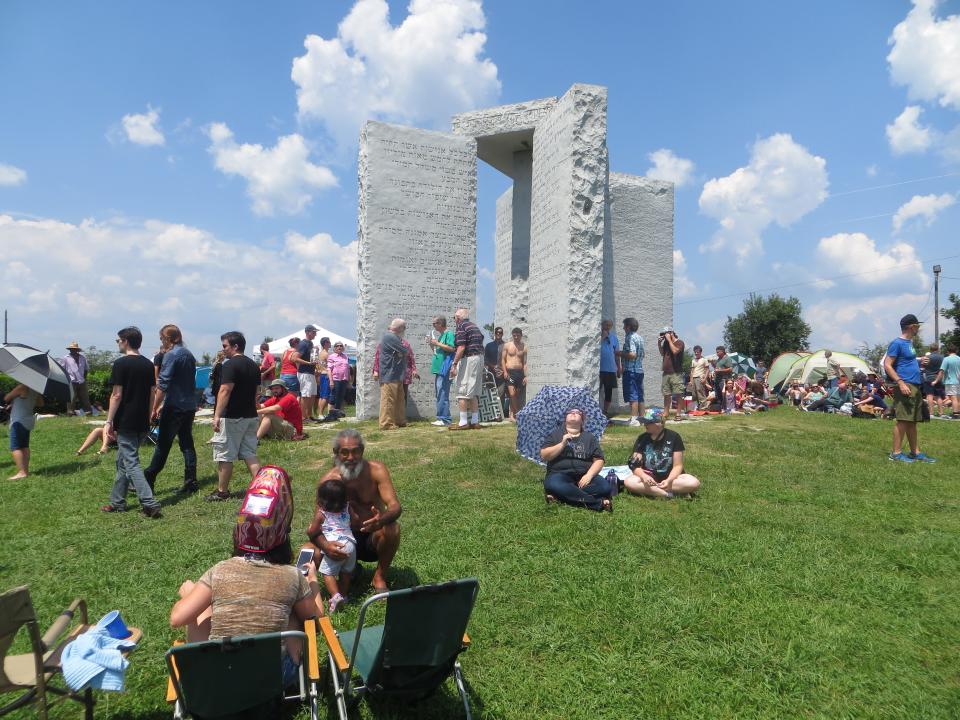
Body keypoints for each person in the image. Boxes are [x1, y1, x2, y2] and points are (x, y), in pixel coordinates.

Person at [170, 470, 324, 685]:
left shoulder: (221, 570)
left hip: (219, 679)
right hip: (272, 679)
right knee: (293, 613)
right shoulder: (292, 576)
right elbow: (314, 616)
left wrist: (189, 591)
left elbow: (177, 619)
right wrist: (313, 582)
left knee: (204, 607)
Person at [307, 429, 402, 592]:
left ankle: (379, 577)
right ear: (336, 453)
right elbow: (317, 525)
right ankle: (310, 591)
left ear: (362, 451)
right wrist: (326, 545)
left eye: (355, 452)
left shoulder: (376, 470)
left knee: (393, 528)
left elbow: (395, 506)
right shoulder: (328, 482)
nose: (351, 458)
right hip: (340, 540)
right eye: (345, 452)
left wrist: (381, 520)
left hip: (371, 539)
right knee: (307, 551)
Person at [101, 326, 162, 517]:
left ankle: (149, 502)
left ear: (126, 341)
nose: (118, 343)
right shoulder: (146, 364)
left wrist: (108, 421)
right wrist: (149, 414)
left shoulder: (121, 364)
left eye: (118, 340)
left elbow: (116, 395)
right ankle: (117, 502)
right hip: (141, 419)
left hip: (126, 419)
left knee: (131, 463)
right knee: (122, 462)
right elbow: (153, 392)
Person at [144, 324, 198, 494]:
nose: (161, 342)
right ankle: (191, 481)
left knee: (163, 445)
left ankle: (149, 478)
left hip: (175, 406)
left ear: (167, 338)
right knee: (187, 443)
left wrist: (154, 408)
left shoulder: (171, 355)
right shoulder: (189, 355)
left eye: (161, 339)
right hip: (189, 405)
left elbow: (163, 385)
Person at [208, 331, 262, 500]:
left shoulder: (230, 365)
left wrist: (217, 415)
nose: (223, 349)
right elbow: (257, 392)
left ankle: (222, 491)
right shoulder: (254, 365)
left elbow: (225, 390)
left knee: (225, 455)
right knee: (249, 453)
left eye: (225, 346)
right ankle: (263, 487)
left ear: (235, 346)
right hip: (250, 415)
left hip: (232, 416)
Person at [884, 314, 936, 463]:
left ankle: (915, 452)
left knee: (912, 421)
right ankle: (896, 453)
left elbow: (906, 362)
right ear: (911, 327)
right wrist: (900, 382)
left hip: (914, 385)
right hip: (905, 385)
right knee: (902, 420)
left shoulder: (909, 343)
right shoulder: (897, 343)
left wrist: (919, 361)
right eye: (917, 326)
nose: (919, 328)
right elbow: (887, 364)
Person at [540, 408, 612, 512]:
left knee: (605, 488)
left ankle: (561, 496)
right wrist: (562, 444)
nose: (573, 413)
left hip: (584, 475)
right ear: (565, 418)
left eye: (577, 412)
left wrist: (589, 475)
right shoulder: (555, 434)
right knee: (553, 484)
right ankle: (597, 503)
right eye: (570, 412)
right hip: (559, 474)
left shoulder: (589, 437)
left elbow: (599, 460)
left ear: (582, 420)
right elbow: (544, 455)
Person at [623, 406, 700, 498]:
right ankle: (667, 494)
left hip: (672, 478)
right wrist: (644, 476)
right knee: (629, 482)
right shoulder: (642, 438)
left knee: (693, 483)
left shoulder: (674, 437)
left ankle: (655, 490)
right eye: (644, 422)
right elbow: (634, 465)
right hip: (649, 478)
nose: (645, 425)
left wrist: (669, 480)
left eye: (648, 422)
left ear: (659, 423)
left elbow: (678, 465)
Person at [306, 479, 357, 613]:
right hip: (350, 544)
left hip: (335, 545)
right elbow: (355, 520)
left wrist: (309, 530)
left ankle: (335, 596)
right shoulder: (347, 508)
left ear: (321, 501)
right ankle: (344, 595)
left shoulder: (321, 514)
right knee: (346, 572)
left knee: (327, 573)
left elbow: (313, 532)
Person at [449, 308, 484, 430]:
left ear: (458, 318)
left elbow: (461, 347)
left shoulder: (461, 326)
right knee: (473, 392)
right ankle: (475, 421)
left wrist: (454, 364)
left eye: (454, 318)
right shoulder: (474, 326)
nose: (454, 320)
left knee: (462, 391)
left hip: (469, 359)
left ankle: (463, 422)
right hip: (479, 358)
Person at [373, 319, 409, 430]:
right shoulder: (390, 337)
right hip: (389, 374)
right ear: (400, 328)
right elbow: (405, 350)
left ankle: (399, 420)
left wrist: (400, 352)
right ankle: (386, 423)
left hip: (396, 374)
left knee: (399, 399)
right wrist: (401, 352)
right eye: (404, 328)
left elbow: (403, 352)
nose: (404, 330)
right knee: (388, 400)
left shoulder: (394, 337)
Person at [5, 383, 41, 479]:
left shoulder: (22, 387)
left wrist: (13, 396)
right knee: (24, 446)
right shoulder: (36, 388)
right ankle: (25, 470)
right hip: (28, 420)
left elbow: (6, 398)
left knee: (15, 447)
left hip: (18, 421)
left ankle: (22, 472)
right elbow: (40, 403)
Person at [427, 316, 456, 426]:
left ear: (440, 323)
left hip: (444, 368)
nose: (433, 325)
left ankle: (445, 419)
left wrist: (437, 343)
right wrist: (431, 344)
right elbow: (437, 351)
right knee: (440, 393)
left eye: (435, 323)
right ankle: (442, 417)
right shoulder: (441, 336)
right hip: (439, 369)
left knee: (442, 392)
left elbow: (452, 348)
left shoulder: (449, 334)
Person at [618, 317, 644, 426]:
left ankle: (634, 420)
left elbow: (632, 354)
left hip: (631, 370)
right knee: (640, 395)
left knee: (633, 395)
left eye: (624, 326)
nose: (623, 328)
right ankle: (642, 419)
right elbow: (643, 354)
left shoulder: (630, 337)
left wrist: (620, 353)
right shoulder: (640, 338)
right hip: (639, 370)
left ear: (628, 326)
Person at [657, 327, 685, 421]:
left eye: (666, 333)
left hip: (676, 372)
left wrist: (669, 340)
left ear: (671, 333)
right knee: (666, 394)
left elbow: (675, 351)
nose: (665, 336)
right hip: (666, 372)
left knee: (678, 393)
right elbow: (662, 353)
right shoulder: (666, 343)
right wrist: (659, 343)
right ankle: (666, 413)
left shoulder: (680, 342)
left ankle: (678, 414)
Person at [293, 325, 319, 422]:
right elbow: (294, 358)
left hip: (310, 372)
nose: (315, 334)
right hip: (305, 372)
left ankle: (309, 415)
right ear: (308, 332)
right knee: (305, 394)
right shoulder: (303, 343)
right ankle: (303, 417)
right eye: (314, 332)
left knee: (312, 394)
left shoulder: (310, 343)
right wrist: (308, 363)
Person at [501, 327, 527, 420]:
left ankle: (512, 414)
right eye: (514, 335)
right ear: (512, 335)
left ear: (521, 335)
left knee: (516, 394)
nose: (516, 337)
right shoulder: (507, 345)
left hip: (519, 373)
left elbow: (525, 363)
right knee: (512, 394)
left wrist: (525, 376)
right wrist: (505, 372)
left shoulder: (524, 346)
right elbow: (503, 360)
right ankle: (517, 413)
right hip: (510, 372)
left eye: (518, 335)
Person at [62, 341, 95, 416]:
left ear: (77, 350)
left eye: (74, 349)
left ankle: (88, 411)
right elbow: (63, 369)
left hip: (81, 380)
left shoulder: (82, 358)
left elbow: (86, 369)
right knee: (72, 397)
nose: (73, 350)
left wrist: (84, 378)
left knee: (84, 397)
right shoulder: (66, 358)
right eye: (71, 349)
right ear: (70, 350)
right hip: (71, 380)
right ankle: (70, 412)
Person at [598, 319, 622, 417]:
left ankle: (605, 411)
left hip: (611, 369)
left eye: (609, 325)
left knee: (608, 392)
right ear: (602, 325)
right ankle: (596, 410)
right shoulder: (597, 336)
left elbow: (617, 354)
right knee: (597, 390)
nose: (607, 327)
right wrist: (602, 337)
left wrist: (619, 367)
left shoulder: (614, 338)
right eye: (606, 325)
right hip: (599, 369)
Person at [484, 327, 506, 414]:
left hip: (502, 373)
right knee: (491, 393)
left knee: (501, 393)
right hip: (491, 373)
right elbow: (485, 359)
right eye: (497, 332)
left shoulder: (506, 345)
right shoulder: (489, 345)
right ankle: (492, 413)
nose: (498, 334)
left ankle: (500, 413)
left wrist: (502, 370)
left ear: (502, 334)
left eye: (500, 333)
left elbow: (508, 359)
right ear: (494, 333)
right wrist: (493, 366)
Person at [326, 342, 350, 420]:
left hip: (344, 379)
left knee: (341, 396)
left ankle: (337, 414)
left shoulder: (345, 356)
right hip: (335, 379)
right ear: (335, 348)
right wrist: (331, 381)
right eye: (337, 346)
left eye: (341, 346)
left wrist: (349, 379)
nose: (339, 347)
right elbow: (329, 369)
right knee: (333, 397)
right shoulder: (331, 356)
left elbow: (348, 368)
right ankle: (330, 414)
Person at [921, 343, 946, 418]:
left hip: (929, 377)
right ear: (938, 349)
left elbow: (923, 366)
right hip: (938, 377)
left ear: (930, 349)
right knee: (938, 396)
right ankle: (941, 413)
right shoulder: (942, 357)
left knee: (929, 395)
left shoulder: (927, 357)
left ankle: (931, 413)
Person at [940, 345, 960, 419]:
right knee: (958, 398)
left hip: (950, 381)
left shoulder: (946, 359)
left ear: (948, 351)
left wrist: (937, 380)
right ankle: (958, 412)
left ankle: (955, 414)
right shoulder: (959, 359)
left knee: (953, 398)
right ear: (956, 351)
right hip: (958, 381)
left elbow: (942, 370)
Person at [315, 337, 333, 421]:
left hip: (321, 375)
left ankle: (320, 413)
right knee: (325, 396)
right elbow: (330, 367)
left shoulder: (320, 353)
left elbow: (318, 366)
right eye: (329, 342)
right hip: (326, 375)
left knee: (322, 396)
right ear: (325, 343)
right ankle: (320, 413)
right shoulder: (326, 354)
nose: (330, 343)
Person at [689, 345, 711, 411]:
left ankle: (704, 407)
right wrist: (690, 380)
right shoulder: (693, 360)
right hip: (693, 378)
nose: (696, 353)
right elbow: (692, 371)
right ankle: (696, 408)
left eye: (697, 352)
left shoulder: (704, 360)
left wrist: (705, 379)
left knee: (700, 392)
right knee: (694, 393)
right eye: (695, 352)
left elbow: (707, 370)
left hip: (700, 377)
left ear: (700, 352)